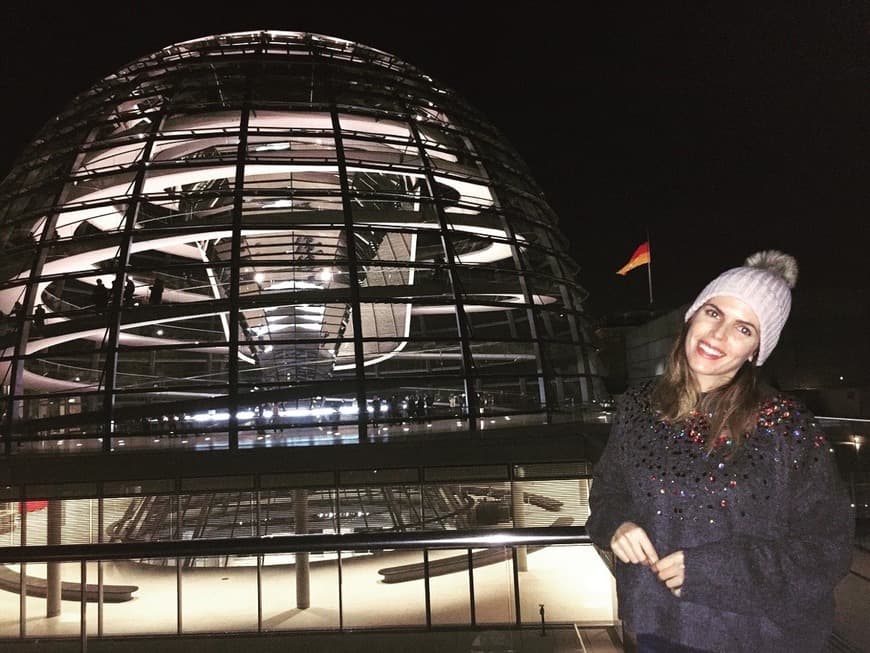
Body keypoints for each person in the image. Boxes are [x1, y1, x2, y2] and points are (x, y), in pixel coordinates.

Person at [586, 251, 854, 653]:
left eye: (744, 328)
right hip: (658, 627)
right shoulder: (638, 406)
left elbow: (827, 548)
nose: (718, 334)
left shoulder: (784, 423)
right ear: (692, 316)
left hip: (758, 636)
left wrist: (713, 570)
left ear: (756, 351)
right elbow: (608, 493)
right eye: (714, 313)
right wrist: (616, 525)